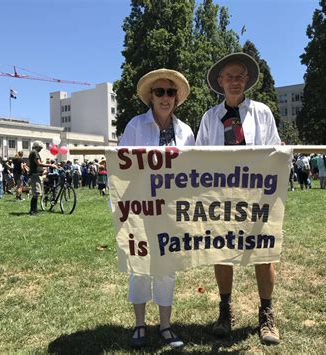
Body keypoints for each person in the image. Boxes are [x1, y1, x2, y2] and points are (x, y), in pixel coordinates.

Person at [195, 52, 281, 345]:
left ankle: (266, 314)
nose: (234, 82)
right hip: (221, 198)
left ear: (247, 81)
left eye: (239, 77)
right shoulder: (209, 118)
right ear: (220, 82)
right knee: (221, 252)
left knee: (264, 253)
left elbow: (275, 153)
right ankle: (225, 310)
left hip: (257, 196)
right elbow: (198, 160)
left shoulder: (263, 113)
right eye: (229, 77)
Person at [118, 68, 194, 349]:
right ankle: (140, 324)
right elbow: (122, 166)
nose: (165, 97)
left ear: (176, 98)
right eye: (160, 92)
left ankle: (165, 325)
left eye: (170, 92)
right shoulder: (136, 126)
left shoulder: (185, 131)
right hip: (140, 208)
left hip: (171, 210)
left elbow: (193, 171)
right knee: (139, 267)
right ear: (151, 96)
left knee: (166, 267)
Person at [29, 141, 57, 215]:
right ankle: (32, 210)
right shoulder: (34, 152)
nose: (40, 149)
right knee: (36, 193)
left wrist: (43, 170)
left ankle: (35, 209)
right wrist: (50, 165)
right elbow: (39, 163)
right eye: (40, 148)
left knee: (38, 193)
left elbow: (37, 165)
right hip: (35, 175)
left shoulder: (34, 152)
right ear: (37, 146)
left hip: (37, 174)